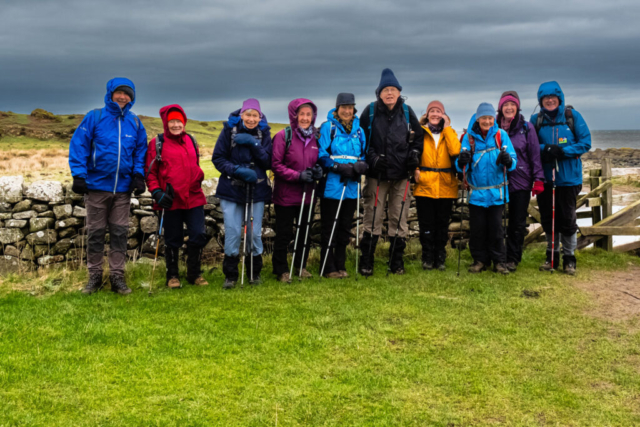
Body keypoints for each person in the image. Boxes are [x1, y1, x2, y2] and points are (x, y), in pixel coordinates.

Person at [69, 77, 148, 295]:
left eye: (128, 94)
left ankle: (117, 278)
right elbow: (79, 145)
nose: (123, 97)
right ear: (110, 94)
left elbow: (141, 152)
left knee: (119, 234)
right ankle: (94, 277)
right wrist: (78, 175)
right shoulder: (94, 117)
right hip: (96, 187)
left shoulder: (135, 122)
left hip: (122, 190)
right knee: (95, 234)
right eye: (119, 93)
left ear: (132, 97)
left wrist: (139, 175)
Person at [359, 68, 424, 275]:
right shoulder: (369, 112)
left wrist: (414, 155)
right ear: (378, 93)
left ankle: (396, 262)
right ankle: (367, 262)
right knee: (373, 217)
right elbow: (360, 140)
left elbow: (418, 138)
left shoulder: (407, 112)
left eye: (393, 90)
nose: (389, 93)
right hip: (376, 176)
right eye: (385, 90)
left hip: (402, 176)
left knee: (399, 219)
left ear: (399, 92)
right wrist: (373, 158)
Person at [531, 81, 591, 275]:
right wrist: (545, 149)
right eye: (545, 98)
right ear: (541, 101)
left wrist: (563, 151)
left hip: (569, 179)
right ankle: (551, 257)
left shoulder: (572, 117)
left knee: (567, 219)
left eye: (553, 97)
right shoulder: (536, 120)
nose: (549, 100)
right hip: (546, 179)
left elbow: (585, 143)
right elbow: (529, 145)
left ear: (559, 98)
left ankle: (569, 259)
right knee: (548, 219)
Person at [145, 104, 208, 288]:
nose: (175, 125)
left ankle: (194, 274)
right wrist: (157, 192)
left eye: (179, 121)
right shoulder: (157, 143)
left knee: (198, 234)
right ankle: (172, 276)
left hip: (193, 196)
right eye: (172, 121)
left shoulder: (191, 140)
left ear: (184, 122)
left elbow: (194, 164)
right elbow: (150, 172)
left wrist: (198, 176)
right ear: (166, 122)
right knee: (173, 238)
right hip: (170, 199)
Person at [212, 99, 272, 289]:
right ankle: (230, 275)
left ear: (260, 116)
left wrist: (254, 144)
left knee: (254, 233)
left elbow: (269, 162)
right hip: (231, 188)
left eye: (255, 115)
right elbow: (218, 158)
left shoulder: (265, 134)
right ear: (242, 115)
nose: (252, 119)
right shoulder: (229, 131)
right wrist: (236, 170)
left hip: (257, 189)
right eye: (248, 114)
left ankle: (254, 273)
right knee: (233, 232)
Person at [456, 103, 517, 274]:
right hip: (476, 193)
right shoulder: (469, 138)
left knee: (497, 229)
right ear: (478, 119)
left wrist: (508, 160)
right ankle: (479, 260)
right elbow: (459, 165)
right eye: (484, 118)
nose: (487, 121)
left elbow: (513, 160)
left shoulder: (501, 135)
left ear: (494, 119)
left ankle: (499, 261)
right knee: (477, 230)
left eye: (490, 118)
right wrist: (461, 160)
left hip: (497, 193)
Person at [271, 99, 322, 282]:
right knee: (284, 234)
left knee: (304, 233)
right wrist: (297, 176)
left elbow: (318, 161)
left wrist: (318, 171)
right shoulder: (283, 136)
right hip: (285, 195)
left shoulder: (315, 137)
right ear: (294, 115)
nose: (306, 118)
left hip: (308, 195)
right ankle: (281, 270)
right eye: (302, 114)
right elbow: (276, 165)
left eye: (309, 114)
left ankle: (301, 266)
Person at [317, 93, 368, 278]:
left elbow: (363, 154)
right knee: (329, 226)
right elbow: (321, 155)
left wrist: (361, 165)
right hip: (332, 184)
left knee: (345, 228)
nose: (347, 111)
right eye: (343, 107)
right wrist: (338, 167)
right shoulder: (328, 127)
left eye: (350, 107)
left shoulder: (359, 130)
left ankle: (341, 264)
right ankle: (327, 267)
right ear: (337, 108)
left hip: (352, 185)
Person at [496, 91, 545, 272]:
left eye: (512, 105)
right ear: (500, 108)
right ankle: (498, 256)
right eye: (505, 105)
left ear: (517, 107)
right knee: (497, 222)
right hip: (497, 181)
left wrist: (538, 179)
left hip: (521, 181)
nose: (509, 108)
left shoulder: (526, 127)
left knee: (517, 223)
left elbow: (534, 155)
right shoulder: (493, 126)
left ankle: (513, 258)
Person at [413, 101, 460, 271]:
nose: (435, 114)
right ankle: (427, 257)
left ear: (444, 115)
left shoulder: (450, 132)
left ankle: (440, 258)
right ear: (427, 114)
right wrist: (416, 169)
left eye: (438, 111)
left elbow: (456, 151)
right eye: (432, 111)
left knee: (442, 224)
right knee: (426, 224)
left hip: (446, 184)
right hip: (425, 183)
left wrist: (447, 128)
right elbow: (413, 153)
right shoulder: (419, 132)